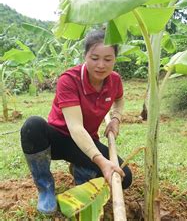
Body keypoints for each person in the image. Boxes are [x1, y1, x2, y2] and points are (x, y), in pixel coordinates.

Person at [20, 30, 132, 215]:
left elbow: (119, 99)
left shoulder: (114, 80)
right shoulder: (69, 79)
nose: (101, 65)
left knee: (124, 177)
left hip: (85, 142)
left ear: (115, 59)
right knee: (33, 126)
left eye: (108, 59)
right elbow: (75, 127)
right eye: (95, 58)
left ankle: (81, 170)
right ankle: (45, 187)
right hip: (57, 139)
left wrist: (116, 118)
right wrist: (102, 162)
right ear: (85, 56)